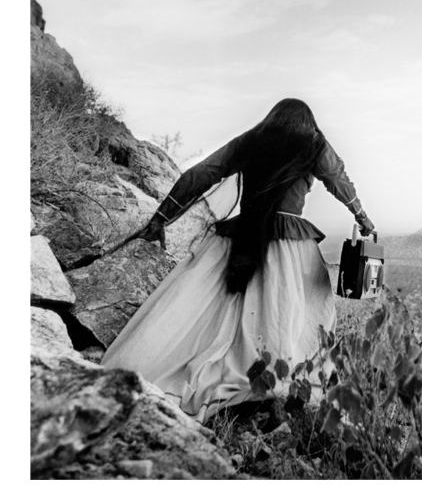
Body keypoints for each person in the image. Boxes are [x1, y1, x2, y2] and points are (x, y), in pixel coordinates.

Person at [101, 98, 374, 422]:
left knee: (204, 310)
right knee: (303, 310)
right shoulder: (313, 142)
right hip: (288, 245)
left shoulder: (252, 140)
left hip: (239, 236)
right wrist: (363, 217)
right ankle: (276, 379)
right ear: (308, 123)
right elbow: (338, 179)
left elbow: (201, 174)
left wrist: (161, 218)